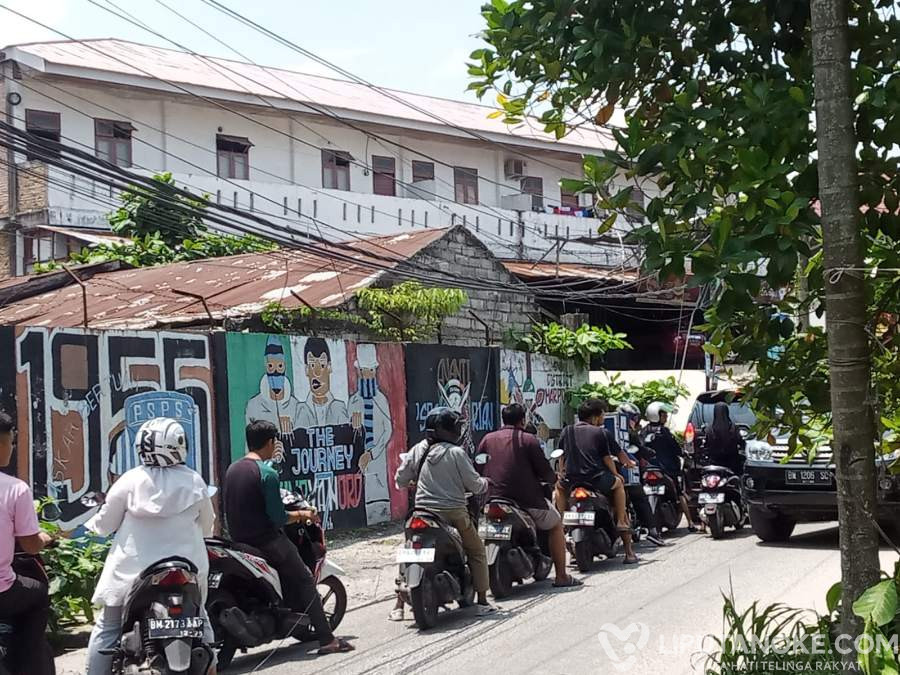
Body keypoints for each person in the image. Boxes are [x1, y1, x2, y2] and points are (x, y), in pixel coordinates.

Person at [86, 417, 217, 675]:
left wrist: (94, 526)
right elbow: (207, 525)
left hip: (132, 573)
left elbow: (105, 524)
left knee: (108, 626)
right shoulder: (194, 481)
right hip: (186, 567)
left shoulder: (129, 481)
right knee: (200, 618)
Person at [223, 420, 353, 655]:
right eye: (276, 442)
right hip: (267, 542)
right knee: (304, 579)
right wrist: (304, 515)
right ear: (271, 442)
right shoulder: (267, 473)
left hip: (239, 542)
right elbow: (279, 517)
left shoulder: (233, 469)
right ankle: (327, 640)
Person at [394, 407, 497, 614]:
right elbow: (475, 485)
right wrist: (486, 482)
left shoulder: (418, 449)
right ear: (450, 430)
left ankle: (398, 605)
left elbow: (400, 479)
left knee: (408, 549)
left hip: (422, 513)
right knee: (476, 550)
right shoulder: (457, 453)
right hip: (454, 512)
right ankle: (483, 601)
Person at [477, 403, 582, 588]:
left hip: (492, 497)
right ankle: (561, 577)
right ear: (523, 420)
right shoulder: (528, 440)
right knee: (556, 523)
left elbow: (478, 465)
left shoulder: (487, 439)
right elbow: (543, 470)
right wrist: (553, 478)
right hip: (526, 500)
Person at [0, 411, 53, 675]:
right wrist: (44, 537)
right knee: (38, 593)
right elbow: (31, 545)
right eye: (10, 441)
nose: (11, 447)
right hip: (4, 591)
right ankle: (29, 666)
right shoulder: (14, 489)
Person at [558, 399, 638, 565]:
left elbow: (561, 456)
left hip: (572, 481)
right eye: (602, 414)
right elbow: (608, 458)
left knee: (558, 488)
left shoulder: (567, 431)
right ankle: (623, 527)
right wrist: (619, 472)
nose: (603, 418)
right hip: (596, 480)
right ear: (594, 417)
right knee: (619, 485)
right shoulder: (601, 433)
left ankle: (561, 519)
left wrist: (562, 473)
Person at [348, 344, 394, 523]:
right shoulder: (354, 401)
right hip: (359, 462)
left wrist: (372, 453)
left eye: (371, 371)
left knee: (379, 504)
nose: (368, 375)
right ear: (359, 372)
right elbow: (348, 433)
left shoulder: (381, 400)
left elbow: (387, 430)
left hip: (377, 460)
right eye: (364, 371)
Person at [641, 401, 698, 532]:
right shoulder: (664, 432)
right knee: (680, 494)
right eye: (663, 414)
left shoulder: (643, 432)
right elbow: (676, 449)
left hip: (647, 469)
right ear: (657, 415)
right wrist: (683, 453)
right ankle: (690, 522)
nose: (666, 417)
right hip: (668, 469)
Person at [616, 403, 666, 547]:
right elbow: (639, 449)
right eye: (634, 418)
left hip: (607, 474)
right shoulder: (628, 434)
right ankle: (652, 531)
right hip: (624, 473)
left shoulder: (606, 429)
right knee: (640, 498)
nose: (636, 422)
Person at [705, 402, 746, 475]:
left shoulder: (709, 429)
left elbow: (706, 445)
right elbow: (741, 443)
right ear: (727, 412)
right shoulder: (734, 428)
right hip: (732, 465)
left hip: (714, 464)